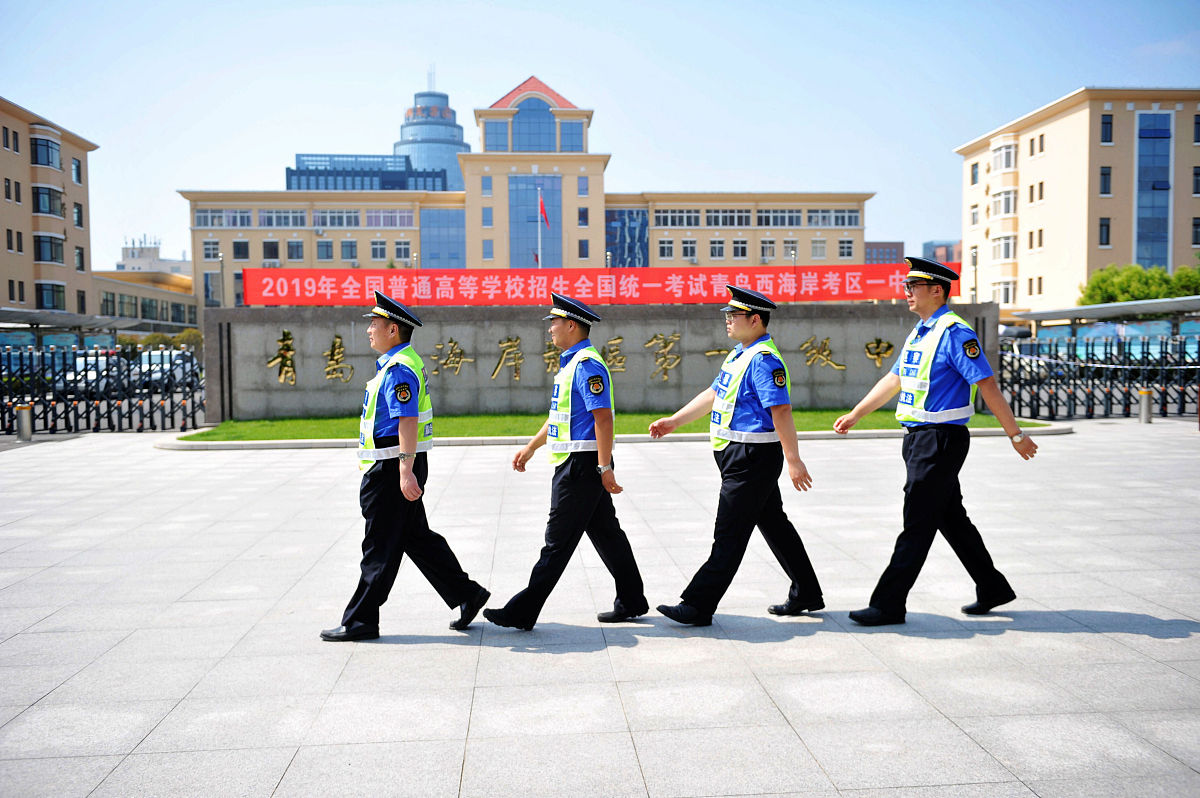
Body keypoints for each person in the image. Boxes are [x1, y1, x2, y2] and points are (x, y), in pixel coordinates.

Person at [833, 257, 1038, 626]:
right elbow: (894, 380)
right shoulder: (922, 331)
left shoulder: (954, 332)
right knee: (950, 518)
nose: (906, 292)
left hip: (940, 440)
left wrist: (1016, 434)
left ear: (937, 291)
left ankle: (888, 604)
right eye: (906, 286)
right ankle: (992, 586)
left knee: (917, 522)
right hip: (918, 440)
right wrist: (856, 413)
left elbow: (986, 384)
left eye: (913, 287)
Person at [650, 285, 823, 627]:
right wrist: (675, 421)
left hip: (752, 457)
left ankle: (698, 605)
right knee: (774, 524)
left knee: (728, 533)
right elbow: (714, 393)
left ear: (755, 319)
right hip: (737, 456)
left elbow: (782, 409)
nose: (728, 321)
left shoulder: (763, 360)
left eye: (734, 316)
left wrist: (793, 459)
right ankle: (807, 592)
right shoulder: (740, 354)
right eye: (727, 315)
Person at [321, 291, 489, 641]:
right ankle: (467, 594)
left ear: (393, 329)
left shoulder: (399, 369)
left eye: (374, 324)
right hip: (395, 464)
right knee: (416, 537)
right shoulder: (399, 364)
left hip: (391, 468)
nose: (369, 329)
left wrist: (404, 469)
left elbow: (407, 420)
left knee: (379, 545)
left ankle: (360, 620)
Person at [483, 293, 649, 631]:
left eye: (554, 323)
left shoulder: (587, 364)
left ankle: (522, 610)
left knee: (556, 542)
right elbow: (559, 417)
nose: (550, 330)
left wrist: (604, 467)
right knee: (607, 534)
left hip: (582, 466)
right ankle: (632, 600)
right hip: (578, 462)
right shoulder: (572, 364)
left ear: (571, 325)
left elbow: (603, 418)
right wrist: (530, 447)